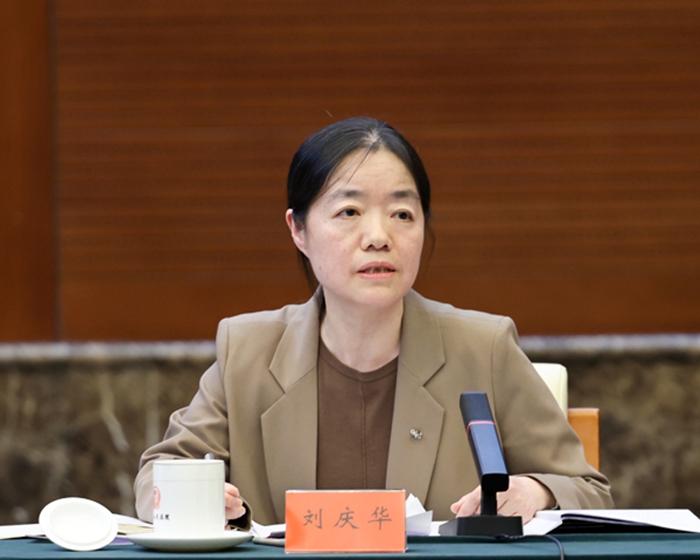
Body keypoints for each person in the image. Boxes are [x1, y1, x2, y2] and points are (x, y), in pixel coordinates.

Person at [134, 117, 613, 528]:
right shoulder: (247, 350)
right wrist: (191, 496)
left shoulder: (483, 347)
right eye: (349, 212)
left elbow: (587, 489)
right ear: (298, 230)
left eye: (402, 214)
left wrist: (534, 491)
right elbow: (161, 470)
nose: (379, 236)